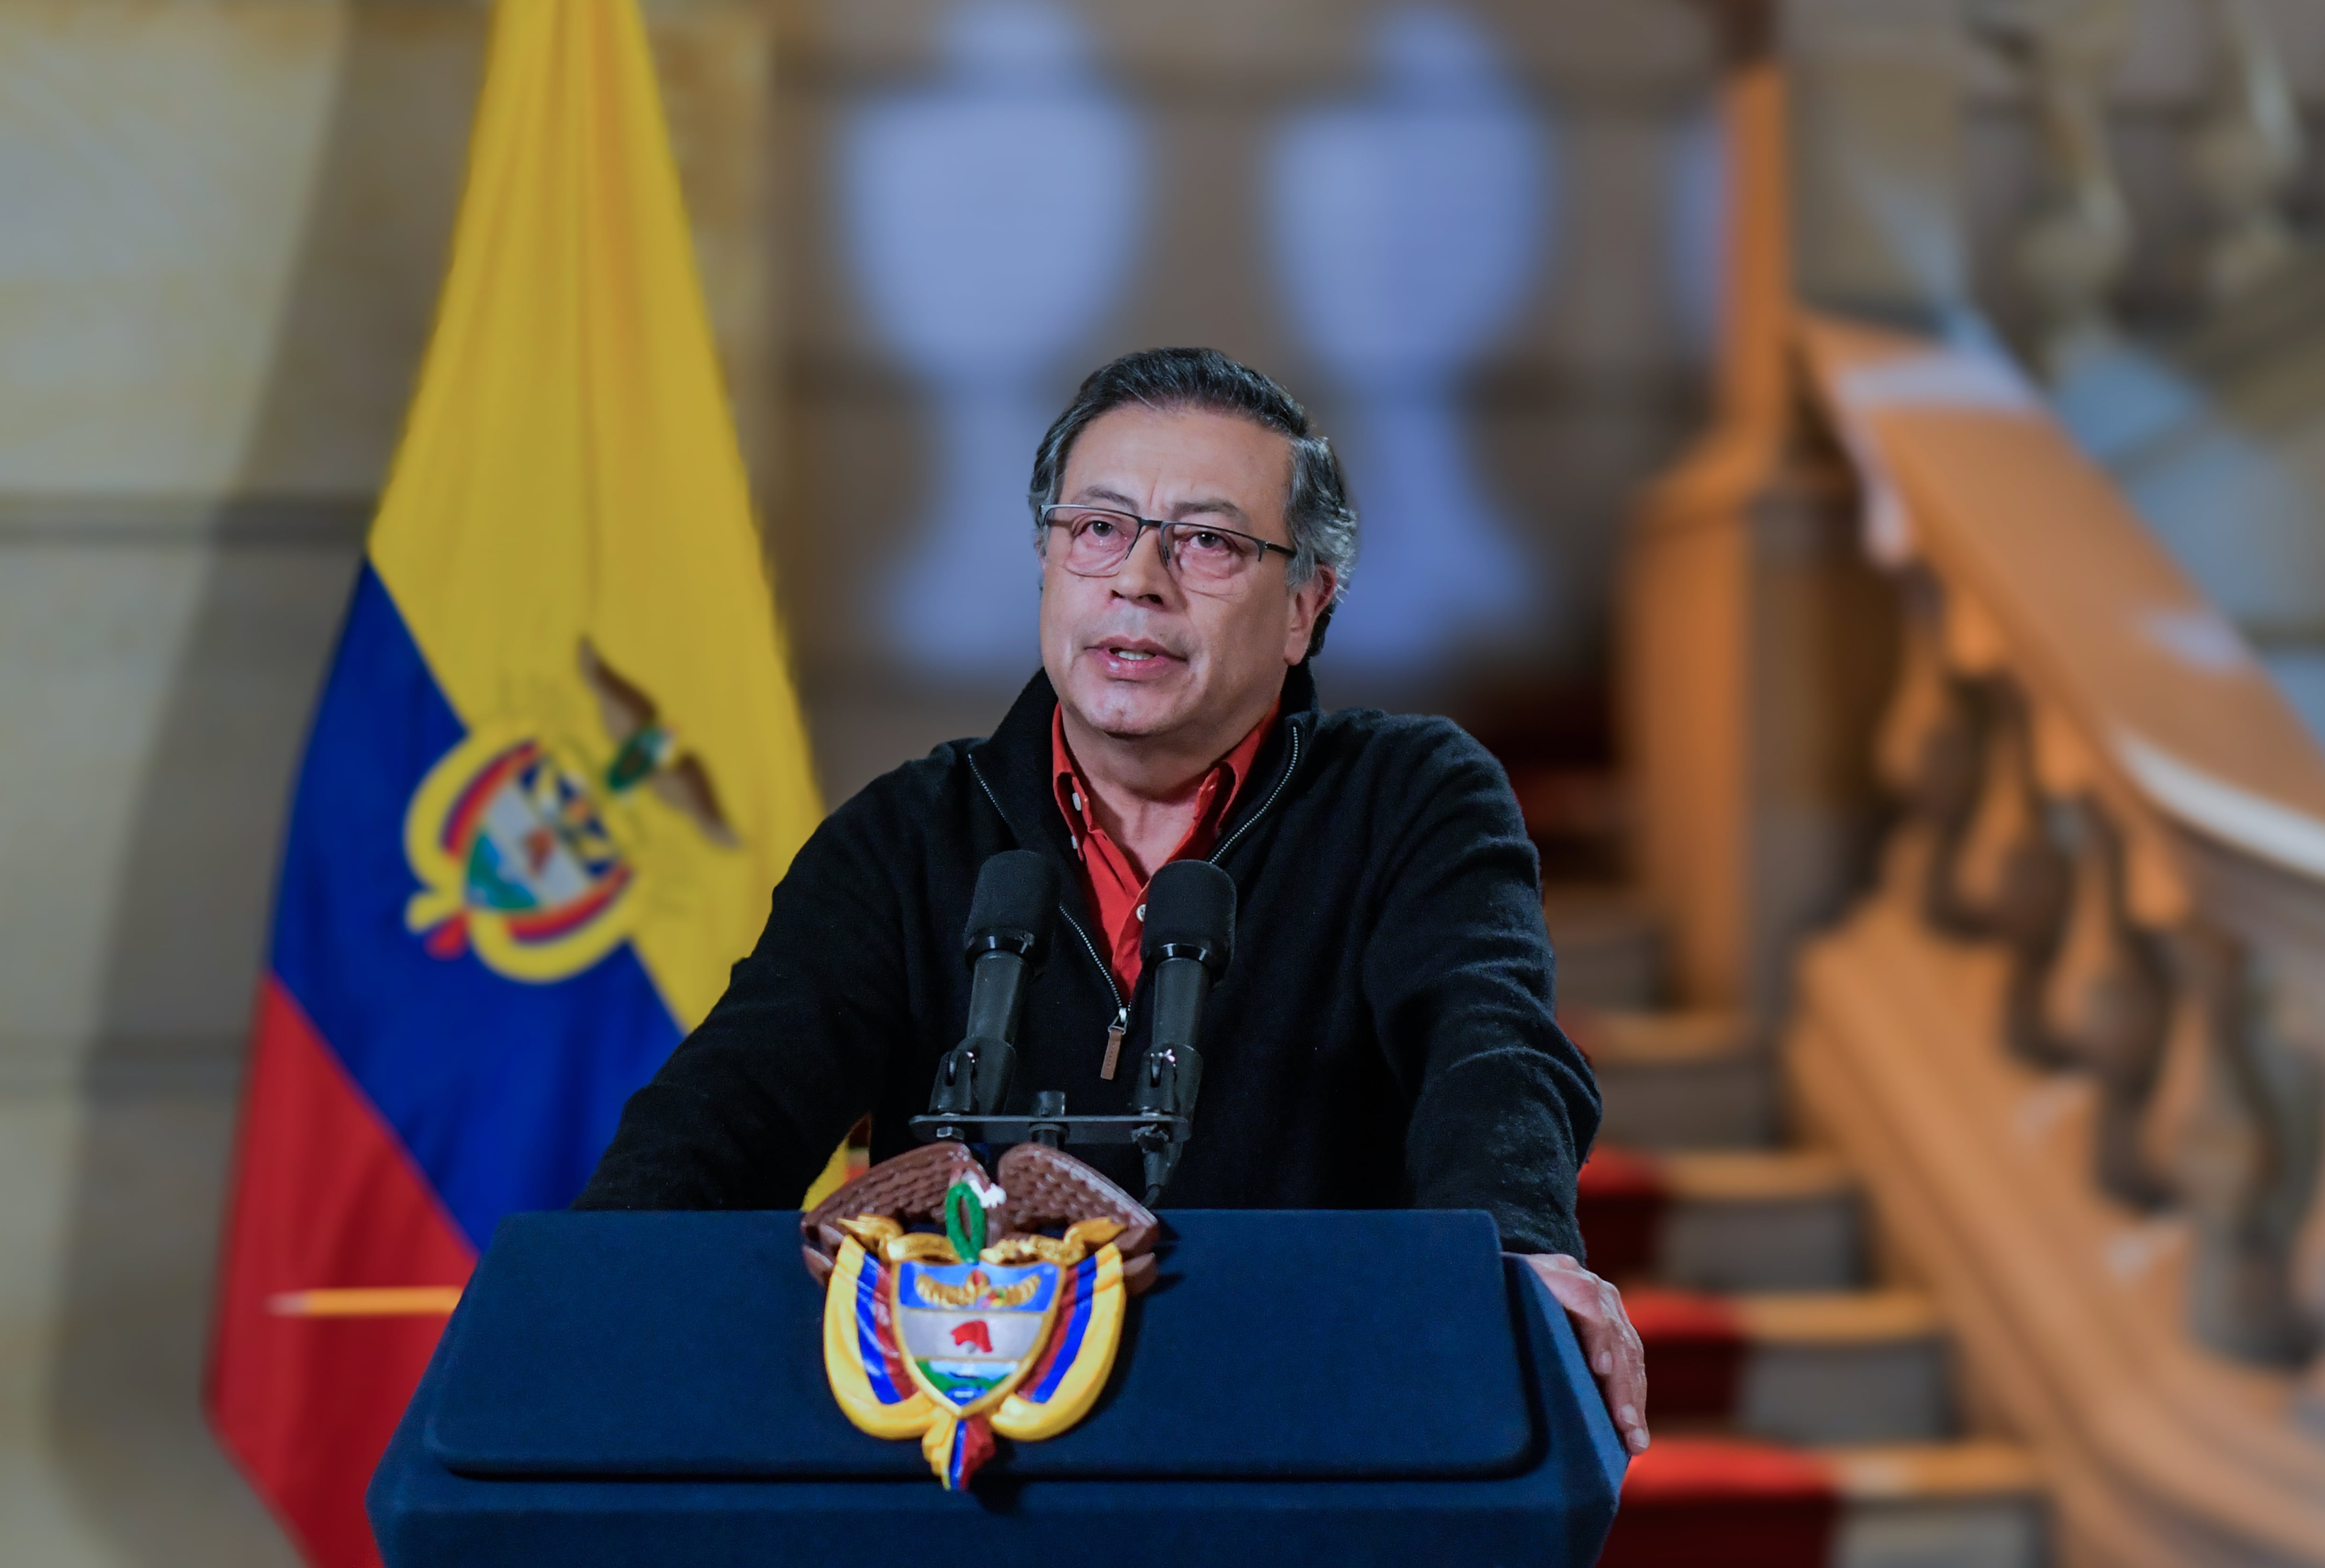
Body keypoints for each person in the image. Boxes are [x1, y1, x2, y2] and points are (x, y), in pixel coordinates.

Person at [576, 347, 1649, 1453]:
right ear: (1048, 563)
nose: (1138, 579)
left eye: (1209, 542)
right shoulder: (906, 834)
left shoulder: (1410, 798)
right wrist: (585, 1290)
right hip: (969, 1453)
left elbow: (1489, 1050)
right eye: (1098, 529)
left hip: (1300, 1423)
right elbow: (725, 1108)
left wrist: (1514, 1249)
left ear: (1303, 607)